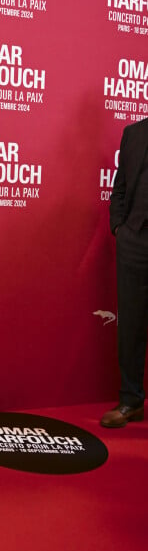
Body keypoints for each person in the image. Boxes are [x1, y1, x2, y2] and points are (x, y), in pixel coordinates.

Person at [101, 118, 148, 428]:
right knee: (130, 324)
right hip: (134, 241)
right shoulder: (132, 133)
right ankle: (131, 401)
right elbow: (119, 188)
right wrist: (120, 226)